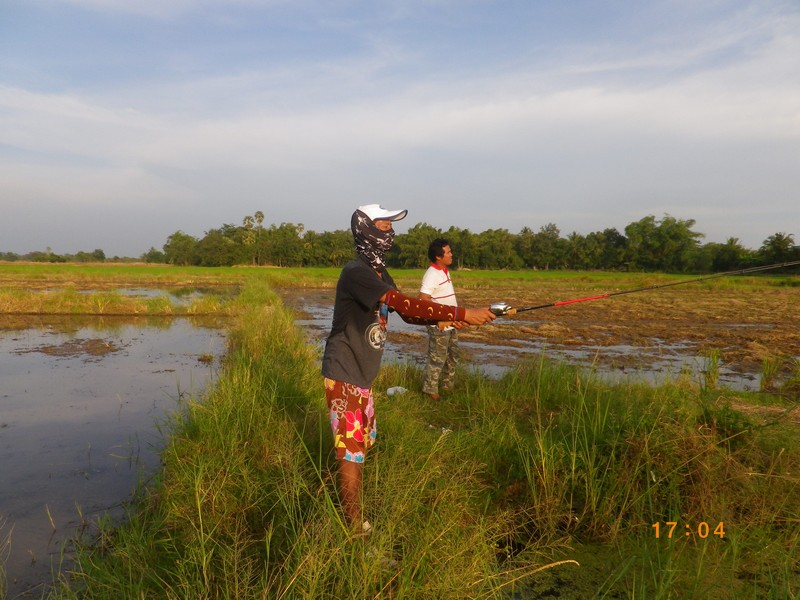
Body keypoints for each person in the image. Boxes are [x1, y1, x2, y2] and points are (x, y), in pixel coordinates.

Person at [321, 204, 496, 532]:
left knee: (360, 447)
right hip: (344, 370)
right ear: (366, 229)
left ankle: (356, 517)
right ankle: (354, 529)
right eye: (385, 225)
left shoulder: (379, 274)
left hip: (362, 374)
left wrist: (452, 317)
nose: (391, 232)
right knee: (350, 453)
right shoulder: (356, 272)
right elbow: (403, 303)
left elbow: (410, 314)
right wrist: (461, 313)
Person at [419, 238, 459, 400]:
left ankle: (447, 385)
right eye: (448, 252)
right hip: (439, 324)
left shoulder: (444, 270)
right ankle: (430, 391)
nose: (451, 254)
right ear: (438, 257)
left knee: (453, 355)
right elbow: (423, 299)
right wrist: (440, 317)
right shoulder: (431, 274)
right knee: (437, 357)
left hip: (451, 322)